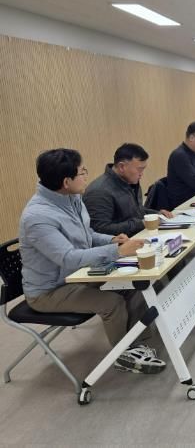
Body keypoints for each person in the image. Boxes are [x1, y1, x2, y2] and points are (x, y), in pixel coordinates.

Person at [19, 148, 166, 374]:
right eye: (82, 172)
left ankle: (137, 341)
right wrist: (117, 251)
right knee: (111, 303)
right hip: (49, 291)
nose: (86, 176)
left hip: (78, 275)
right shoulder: (37, 217)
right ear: (66, 181)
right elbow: (68, 258)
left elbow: (87, 235)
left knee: (135, 286)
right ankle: (122, 355)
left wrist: (112, 240)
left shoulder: (72, 198)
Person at [83, 143, 173, 237]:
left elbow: (136, 212)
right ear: (122, 167)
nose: (141, 174)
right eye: (139, 169)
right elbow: (100, 230)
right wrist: (140, 224)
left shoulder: (130, 182)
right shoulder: (99, 192)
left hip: (139, 237)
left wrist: (156, 215)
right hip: (122, 244)